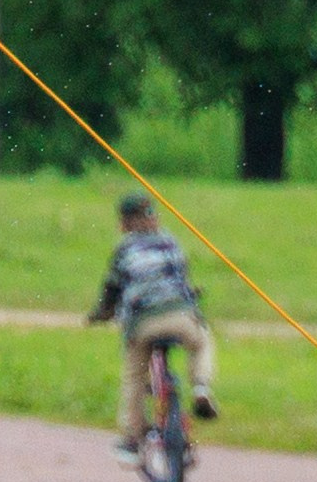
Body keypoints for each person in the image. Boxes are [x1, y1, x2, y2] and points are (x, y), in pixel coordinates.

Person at [86, 192, 219, 458]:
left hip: (143, 323)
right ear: (154, 217)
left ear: (123, 222)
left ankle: (132, 439)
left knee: (134, 375)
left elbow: (112, 289)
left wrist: (100, 314)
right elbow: (181, 279)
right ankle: (201, 386)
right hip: (181, 317)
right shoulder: (171, 242)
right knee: (202, 341)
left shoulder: (124, 249)